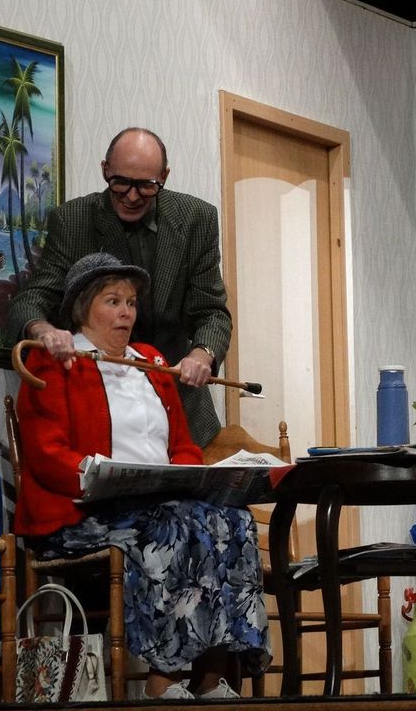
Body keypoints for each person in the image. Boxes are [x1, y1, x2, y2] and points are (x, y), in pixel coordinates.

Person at [14, 252, 269, 700]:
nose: (126, 313)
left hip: (154, 503)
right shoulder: (55, 360)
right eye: (112, 301)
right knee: (174, 526)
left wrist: (186, 480)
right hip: (82, 513)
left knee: (234, 520)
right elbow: (46, 453)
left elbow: (182, 446)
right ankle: (162, 679)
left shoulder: (151, 361)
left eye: (130, 302)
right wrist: (97, 477)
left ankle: (211, 676)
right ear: (83, 308)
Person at [7, 127, 231, 447]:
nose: (132, 196)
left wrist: (202, 353)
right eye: (120, 183)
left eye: (146, 186)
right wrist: (43, 330)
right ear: (105, 170)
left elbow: (212, 311)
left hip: (179, 406)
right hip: (100, 409)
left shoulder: (197, 219)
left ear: (164, 177)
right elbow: (33, 298)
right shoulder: (74, 220)